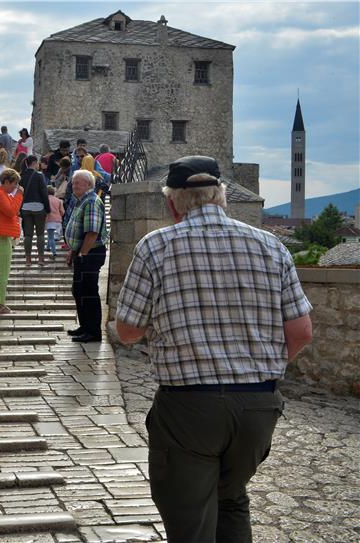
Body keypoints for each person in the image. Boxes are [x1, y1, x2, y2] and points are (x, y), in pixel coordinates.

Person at [115, 155, 313, 543]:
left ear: (172, 202)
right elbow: (301, 331)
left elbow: (127, 330)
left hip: (190, 408)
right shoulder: (270, 245)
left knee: (190, 520)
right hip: (257, 407)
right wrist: (260, 368)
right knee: (232, 500)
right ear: (222, 196)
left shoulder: (155, 246)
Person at [64, 169, 108, 343]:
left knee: (88, 292)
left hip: (90, 253)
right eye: (73, 182)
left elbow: (92, 232)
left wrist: (82, 254)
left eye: (78, 182)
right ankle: (85, 326)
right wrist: (72, 251)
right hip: (82, 252)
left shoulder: (91, 201)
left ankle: (93, 332)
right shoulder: (81, 200)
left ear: (89, 184)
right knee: (79, 291)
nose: (74, 185)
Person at [0, 168, 24, 314]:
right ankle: (0, 304)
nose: (16, 187)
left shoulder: (2, 194)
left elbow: (10, 210)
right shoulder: (1, 194)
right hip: (1, 237)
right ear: (6, 181)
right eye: (14, 183)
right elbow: (11, 212)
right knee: (3, 273)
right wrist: (19, 195)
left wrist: (15, 196)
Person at [19, 155, 50, 266]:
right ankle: (41, 259)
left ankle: (28, 260)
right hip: (39, 208)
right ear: (35, 163)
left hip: (25, 208)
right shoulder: (39, 175)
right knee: (40, 234)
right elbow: (44, 193)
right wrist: (48, 208)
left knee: (28, 235)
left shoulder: (21, 176)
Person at [45, 185, 64, 260]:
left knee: (50, 236)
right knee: (51, 235)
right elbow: (62, 211)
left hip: (49, 220)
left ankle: (54, 252)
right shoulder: (59, 200)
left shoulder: (45, 200)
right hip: (58, 220)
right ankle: (47, 247)